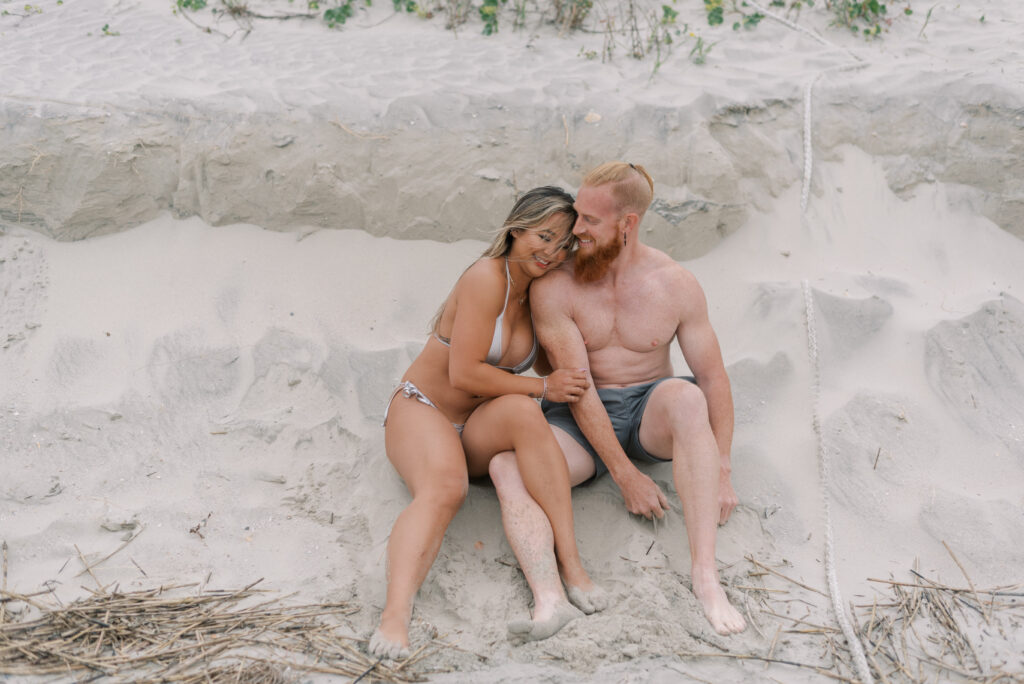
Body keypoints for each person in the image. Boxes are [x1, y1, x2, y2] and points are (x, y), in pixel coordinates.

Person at [489, 163, 747, 636]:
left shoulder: (675, 283)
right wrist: (625, 475)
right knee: (506, 466)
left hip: (651, 409)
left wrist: (723, 465)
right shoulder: (557, 286)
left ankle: (705, 576)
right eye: (576, 216)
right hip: (577, 419)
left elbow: (712, 377)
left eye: (589, 220)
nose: (575, 229)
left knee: (688, 400)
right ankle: (548, 598)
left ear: (627, 225)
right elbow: (578, 384)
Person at [372, 186, 607, 660]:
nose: (552, 252)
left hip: (475, 424)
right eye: (544, 236)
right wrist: (545, 389)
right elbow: (464, 373)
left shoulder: (536, 294)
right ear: (517, 228)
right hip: (426, 409)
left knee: (523, 414)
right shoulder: (486, 276)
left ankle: (572, 565)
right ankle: (394, 615)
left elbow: (547, 365)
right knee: (446, 488)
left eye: (564, 244)